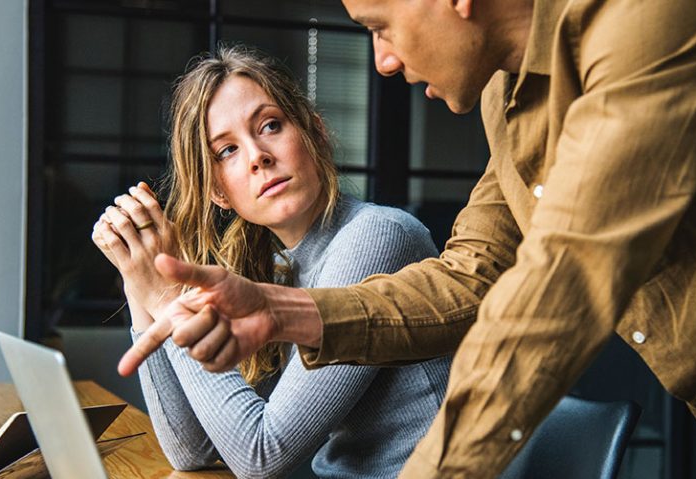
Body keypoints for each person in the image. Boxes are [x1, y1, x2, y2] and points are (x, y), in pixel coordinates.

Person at [120, 0, 696, 477]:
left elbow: (563, 280)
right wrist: (283, 310)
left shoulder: (651, 20)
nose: (382, 60)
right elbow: (472, 276)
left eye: (380, 25)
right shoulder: (507, 96)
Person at [94, 45, 452, 478]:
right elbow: (193, 450)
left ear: (315, 134)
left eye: (270, 126)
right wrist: (139, 281)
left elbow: (260, 457)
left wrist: (168, 295)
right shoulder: (278, 269)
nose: (256, 156)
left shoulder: (377, 236)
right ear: (218, 192)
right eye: (226, 151)